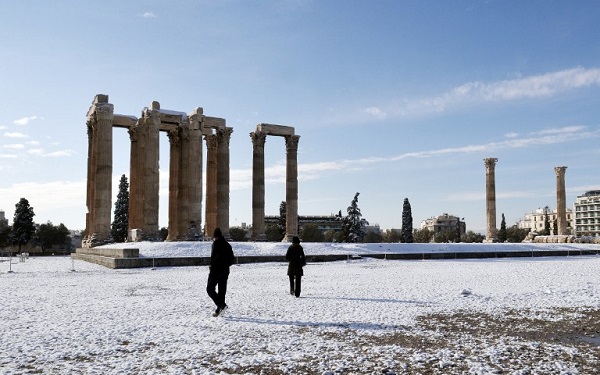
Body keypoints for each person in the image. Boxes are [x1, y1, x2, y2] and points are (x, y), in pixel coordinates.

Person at [206, 227, 235, 317]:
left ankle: (222, 305)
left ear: (215, 236)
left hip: (216, 270)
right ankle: (219, 310)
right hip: (225, 271)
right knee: (221, 291)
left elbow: (214, 257)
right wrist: (226, 265)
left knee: (210, 289)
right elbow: (232, 259)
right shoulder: (227, 245)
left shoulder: (216, 244)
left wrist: (211, 266)